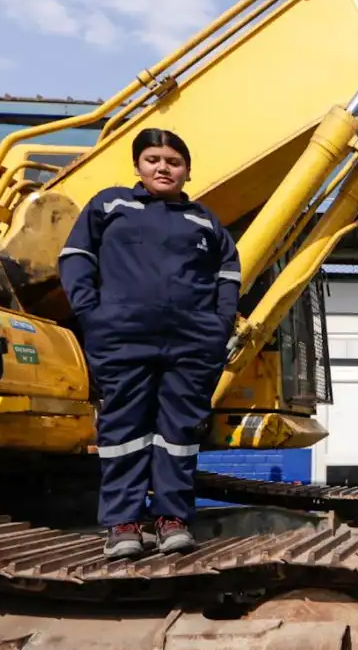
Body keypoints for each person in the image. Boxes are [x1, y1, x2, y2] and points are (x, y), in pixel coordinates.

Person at [57, 129, 242, 559]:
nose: (163, 167)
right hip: (122, 337)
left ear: (187, 171)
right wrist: (92, 314)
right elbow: (75, 257)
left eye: (173, 161)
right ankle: (123, 523)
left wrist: (217, 326)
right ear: (138, 166)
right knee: (124, 430)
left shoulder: (204, 221)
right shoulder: (111, 204)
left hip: (192, 343)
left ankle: (171, 519)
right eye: (153, 159)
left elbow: (229, 276)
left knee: (180, 433)